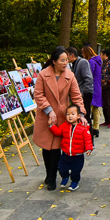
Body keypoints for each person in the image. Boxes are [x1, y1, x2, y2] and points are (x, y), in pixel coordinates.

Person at [33, 46, 86, 190]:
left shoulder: (70, 75)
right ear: (54, 61)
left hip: (62, 117)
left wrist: (80, 113)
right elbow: (38, 94)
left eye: (67, 60)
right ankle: (49, 173)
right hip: (46, 116)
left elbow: (76, 95)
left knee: (56, 148)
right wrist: (49, 110)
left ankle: (52, 177)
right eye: (62, 60)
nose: (65, 63)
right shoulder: (43, 74)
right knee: (46, 147)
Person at [49, 104, 93, 190]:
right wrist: (51, 126)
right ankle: (65, 177)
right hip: (65, 154)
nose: (70, 116)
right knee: (61, 168)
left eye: (73, 114)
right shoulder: (64, 125)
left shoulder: (83, 128)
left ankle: (75, 182)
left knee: (76, 171)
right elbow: (58, 132)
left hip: (78, 155)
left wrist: (89, 149)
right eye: (68, 114)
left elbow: (88, 139)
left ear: (78, 116)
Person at [67, 47, 94, 133]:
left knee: (85, 116)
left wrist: (84, 93)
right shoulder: (74, 64)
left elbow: (88, 78)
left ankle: (89, 137)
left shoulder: (82, 62)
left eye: (67, 55)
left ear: (72, 55)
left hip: (84, 94)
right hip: (80, 94)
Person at [84, 46, 103, 134]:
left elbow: (89, 73)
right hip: (98, 86)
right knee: (96, 109)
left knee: (89, 108)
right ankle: (96, 127)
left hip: (92, 86)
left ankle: (90, 128)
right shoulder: (98, 61)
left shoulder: (91, 62)